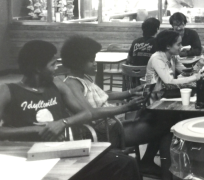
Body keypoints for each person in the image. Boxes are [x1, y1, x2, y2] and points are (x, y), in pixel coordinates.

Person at [0, 40, 142, 180]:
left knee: (125, 163)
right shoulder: (8, 91)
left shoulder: (56, 84)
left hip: (63, 151)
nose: (57, 68)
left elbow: (86, 113)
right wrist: (35, 129)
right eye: (52, 64)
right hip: (27, 156)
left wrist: (63, 122)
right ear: (37, 68)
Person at [61, 35, 168, 177]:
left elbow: (103, 95)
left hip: (111, 124)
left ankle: (147, 163)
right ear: (78, 61)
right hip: (104, 132)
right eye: (91, 60)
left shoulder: (83, 78)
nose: (94, 63)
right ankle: (150, 165)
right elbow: (89, 112)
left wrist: (130, 92)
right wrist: (125, 108)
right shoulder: (72, 84)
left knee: (157, 117)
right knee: (164, 125)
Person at [146, 30, 202, 95]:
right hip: (156, 96)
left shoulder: (173, 56)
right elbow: (169, 81)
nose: (181, 47)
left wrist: (197, 68)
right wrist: (195, 77)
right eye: (178, 44)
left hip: (167, 91)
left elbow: (184, 71)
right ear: (168, 46)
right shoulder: (157, 58)